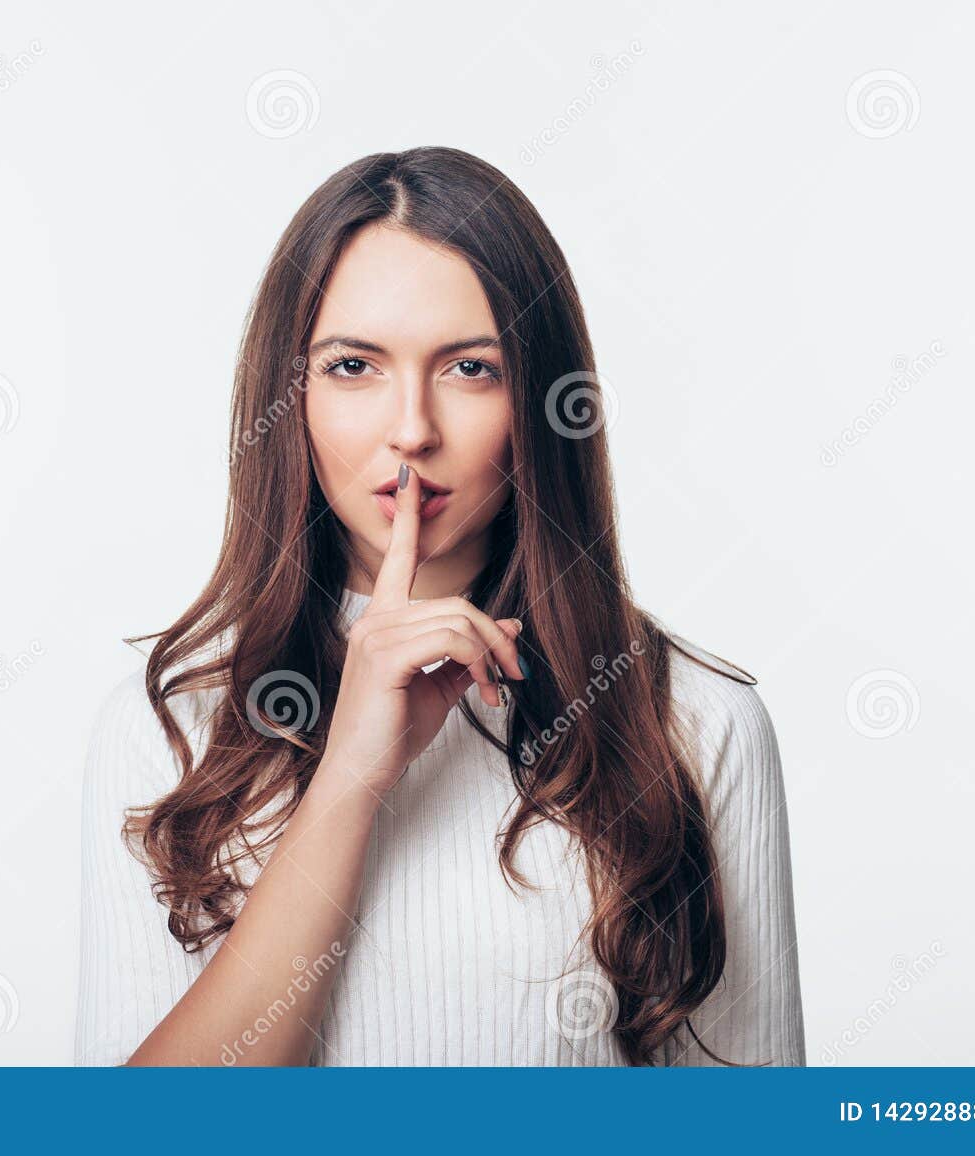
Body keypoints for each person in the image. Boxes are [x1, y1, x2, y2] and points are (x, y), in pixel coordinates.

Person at [75, 146, 804, 1067]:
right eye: (352, 367)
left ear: (539, 400)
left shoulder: (694, 721)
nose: (412, 428)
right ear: (288, 396)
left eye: (469, 369)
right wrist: (350, 776)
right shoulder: (171, 727)